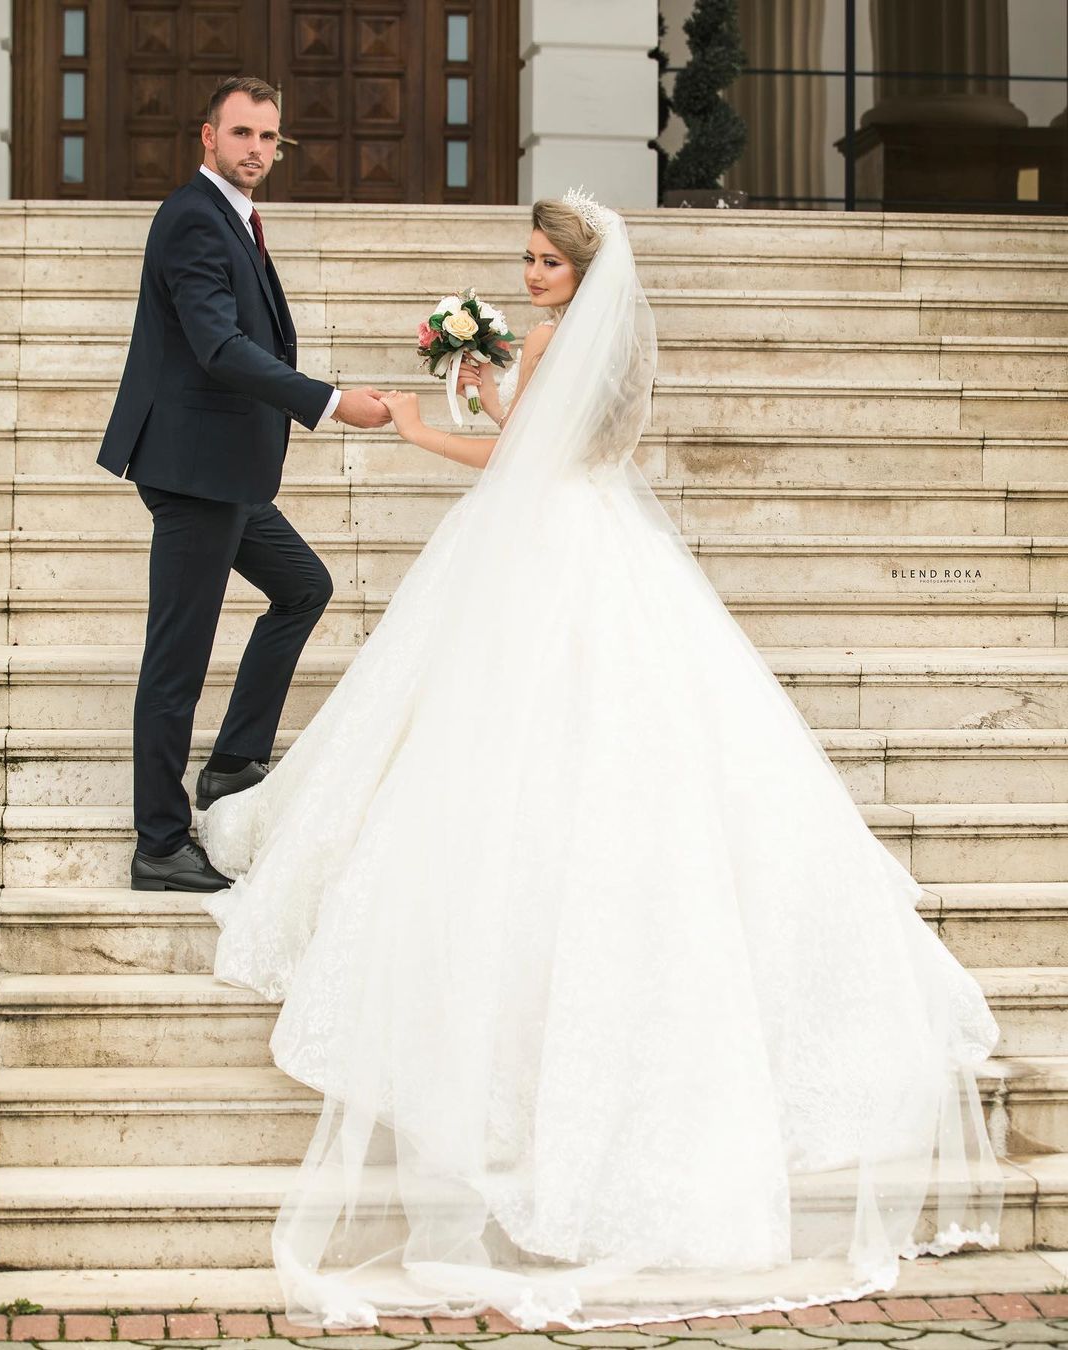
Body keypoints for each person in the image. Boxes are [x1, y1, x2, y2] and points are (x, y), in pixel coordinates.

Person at [199, 190, 1005, 1330]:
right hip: (601, 544)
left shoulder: (550, 341)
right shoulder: (614, 346)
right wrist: (484, 385)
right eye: (523, 261)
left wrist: (421, 420)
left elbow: (506, 463)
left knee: (515, 740)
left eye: (542, 261)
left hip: (534, 554)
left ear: (579, 270)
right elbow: (558, 444)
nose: (528, 275)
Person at [96, 75, 390, 893]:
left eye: (269, 137)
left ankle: (231, 763)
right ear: (208, 136)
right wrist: (329, 402)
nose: (258, 150)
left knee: (303, 586)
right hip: (194, 472)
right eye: (243, 135)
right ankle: (159, 842)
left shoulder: (237, 217)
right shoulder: (194, 216)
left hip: (226, 469)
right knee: (176, 660)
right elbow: (219, 347)